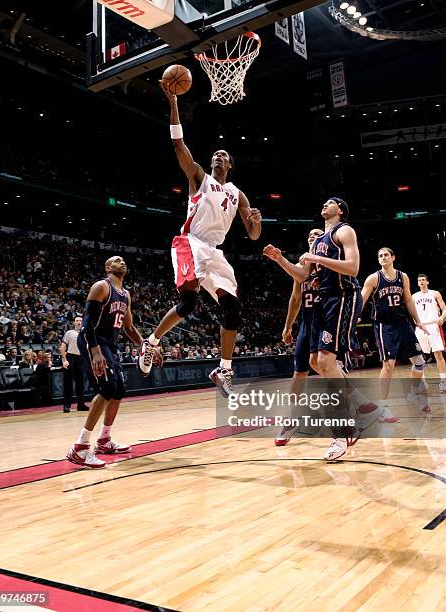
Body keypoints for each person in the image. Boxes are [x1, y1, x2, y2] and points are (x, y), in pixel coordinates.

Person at [139, 80, 262, 398]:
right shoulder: (198, 176)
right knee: (189, 302)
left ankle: (224, 369)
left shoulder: (237, 193)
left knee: (233, 310)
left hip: (215, 253)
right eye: (216, 155)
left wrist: (256, 222)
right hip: (190, 242)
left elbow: (253, 235)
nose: (219, 157)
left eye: (224, 155)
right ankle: (151, 342)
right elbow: (179, 146)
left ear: (231, 165)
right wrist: (174, 104)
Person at [264, 197, 378, 461]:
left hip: (341, 295)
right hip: (323, 303)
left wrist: (316, 257)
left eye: (331, 203)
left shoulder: (344, 231)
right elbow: (304, 277)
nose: (324, 205)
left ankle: (343, 431)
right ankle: (361, 406)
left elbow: (353, 267)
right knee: (316, 362)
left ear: (341, 210)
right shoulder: (319, 242)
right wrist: (281, 259)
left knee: (326, 361)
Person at [66, 256, 162, 469]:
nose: (123, 261)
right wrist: (95, 350)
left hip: (110, 345)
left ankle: (104, 440)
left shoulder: (126, 295)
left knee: (118, 390)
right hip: (94, 341)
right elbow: (88, 321)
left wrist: (147, 347)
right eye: (117, 260)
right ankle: (80, 447)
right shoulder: (102, 287)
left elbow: (128, 328)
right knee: (107, 388)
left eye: (124, 260)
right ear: (108, 267)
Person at [263, 227, 324, 446]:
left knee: (322, 364)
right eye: (309, 235)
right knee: (299, 373)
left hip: (326, 321)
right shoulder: (300, 267)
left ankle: (351, 405)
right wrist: (288, 327)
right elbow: (295, 298)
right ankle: (291, 419)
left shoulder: (329, 262)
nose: (312, 237)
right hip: (307, 323)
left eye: (317, 235)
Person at [361, 248, 431, 418]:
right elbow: (361, 300)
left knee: (420, 362)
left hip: (403, 323)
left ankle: (414, 394)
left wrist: (417, 321)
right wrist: (353, 318)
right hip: (385, 326)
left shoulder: (403, 277)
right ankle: (383, 407)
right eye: (380, 256)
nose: (383, 257)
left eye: (386, 255)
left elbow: (407, 299)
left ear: (393, 257)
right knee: (389, 365)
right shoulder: (373, 278)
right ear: (378, 260)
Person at [412, 274, 446, 393]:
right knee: (417, 356)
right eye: (419, 280)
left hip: (433, 325)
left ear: (427, 282)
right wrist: (416, 322)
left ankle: (443, 382)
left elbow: (445, 310)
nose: (421, 282)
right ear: (417, 283)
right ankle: (423, 383)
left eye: (423, 280)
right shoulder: (414, 296)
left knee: (438, 354)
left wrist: (442, 318)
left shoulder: (435, 293)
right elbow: (412, 313)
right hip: (420, 327)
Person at [60, 315, 89, 413]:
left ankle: (80, 405)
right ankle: (67, 405)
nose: (79, 322)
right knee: (68, 383)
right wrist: (64, 360)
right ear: (74, 322)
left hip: (81, 358)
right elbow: (63, 347)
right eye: (77, 321)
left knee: (80, 383)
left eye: (81, 321)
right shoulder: (69, 333)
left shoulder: (86, 333)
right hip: (70, 357)